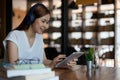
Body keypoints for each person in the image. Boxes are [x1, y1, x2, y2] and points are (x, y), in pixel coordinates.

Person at [3, 3, 77, 68]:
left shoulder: (39, 37)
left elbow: (44, 60)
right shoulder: (14, 35)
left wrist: (61, 63)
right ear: (32, 19)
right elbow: (13, 65)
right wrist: (49, 66)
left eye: (47, 22)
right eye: (43, 21)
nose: (46, 26)